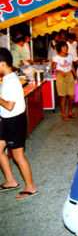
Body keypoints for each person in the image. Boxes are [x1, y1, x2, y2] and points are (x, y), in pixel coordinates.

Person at [0, 48, 38, 199]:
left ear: (2, 64)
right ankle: (10, 180)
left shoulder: (12, 81)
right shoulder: (7, 79)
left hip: (14, 121)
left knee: (17, 156)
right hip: (6, 120)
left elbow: (10, 105)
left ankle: (31, 187)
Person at [52, 41, 78, 121]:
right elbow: (53, 69)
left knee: (72, 97)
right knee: (63, 97)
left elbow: (72, 67)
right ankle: (63, 114)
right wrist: (60, 71)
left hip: (69, 75)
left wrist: (76, 76)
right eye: (63, 47)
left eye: (66, 47)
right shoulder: (56, 58)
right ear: (60, 48)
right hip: (61, 77)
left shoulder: (70, 56)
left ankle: (70, 111)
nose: (66, 48)